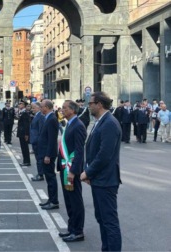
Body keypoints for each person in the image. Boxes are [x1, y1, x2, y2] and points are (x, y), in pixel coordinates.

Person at [80, 91, 122, 251]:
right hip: (100, 179)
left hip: (106, 180)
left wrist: (88, 172)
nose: (88, 106)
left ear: (99, 104)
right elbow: (93, 149)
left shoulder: (109, 123)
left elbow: (104, 155)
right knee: (102, 219)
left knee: (109, 221)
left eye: (90, 104)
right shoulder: (100, 121)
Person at [57, 100, 87, 242]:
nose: (62, 110)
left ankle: (78, 231)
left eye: (64, 108)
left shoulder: (78, 125)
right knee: (68, 201)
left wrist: (73, 171)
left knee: (75, 201)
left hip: (71, 170)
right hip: (65, 168)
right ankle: (71, 228)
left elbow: (79, 151)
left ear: (73, 110)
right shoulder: (69, 124)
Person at [38, 99, 59, 210]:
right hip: (45, 152)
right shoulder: (48, 118)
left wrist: (48, 155)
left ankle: (54, 201)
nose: (40, 108)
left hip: (48, 154)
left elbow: (52, 140)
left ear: (47, 107)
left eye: (41, 106)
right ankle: (51, 199)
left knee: (51, 178)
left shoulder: (52, 119)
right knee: (48, 178)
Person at [29, 102, 44, 181]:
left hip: (38, 141)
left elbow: (41, 130)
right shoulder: (36, 116)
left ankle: (40, 174)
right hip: (35, 140)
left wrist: (38, 140)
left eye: (34, 108)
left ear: (38, 108)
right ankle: (40, 173)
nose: (32, 109)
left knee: (39, 159)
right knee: (38, 158)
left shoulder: (40, 116)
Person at [17, 99, 31, 166]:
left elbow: (26, 125)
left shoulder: (25, 113)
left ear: (24, 105)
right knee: (23, 148)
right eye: (19, 104)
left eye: (21, 104)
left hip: (23, 133)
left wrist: (26, 134)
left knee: (25, 148)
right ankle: (25, 160)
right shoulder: (22, 112)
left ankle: (27, 161)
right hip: (21, 133)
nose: (19, 105)